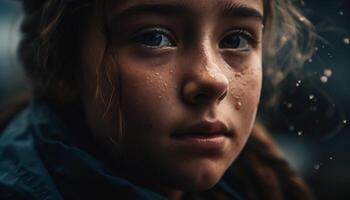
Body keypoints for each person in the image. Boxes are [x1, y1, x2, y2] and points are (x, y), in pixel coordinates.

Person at [0, 0, 316, 199]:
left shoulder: (255, 181)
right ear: (65, 60)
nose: (213, 78)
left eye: (236, 39)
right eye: (154, 37)